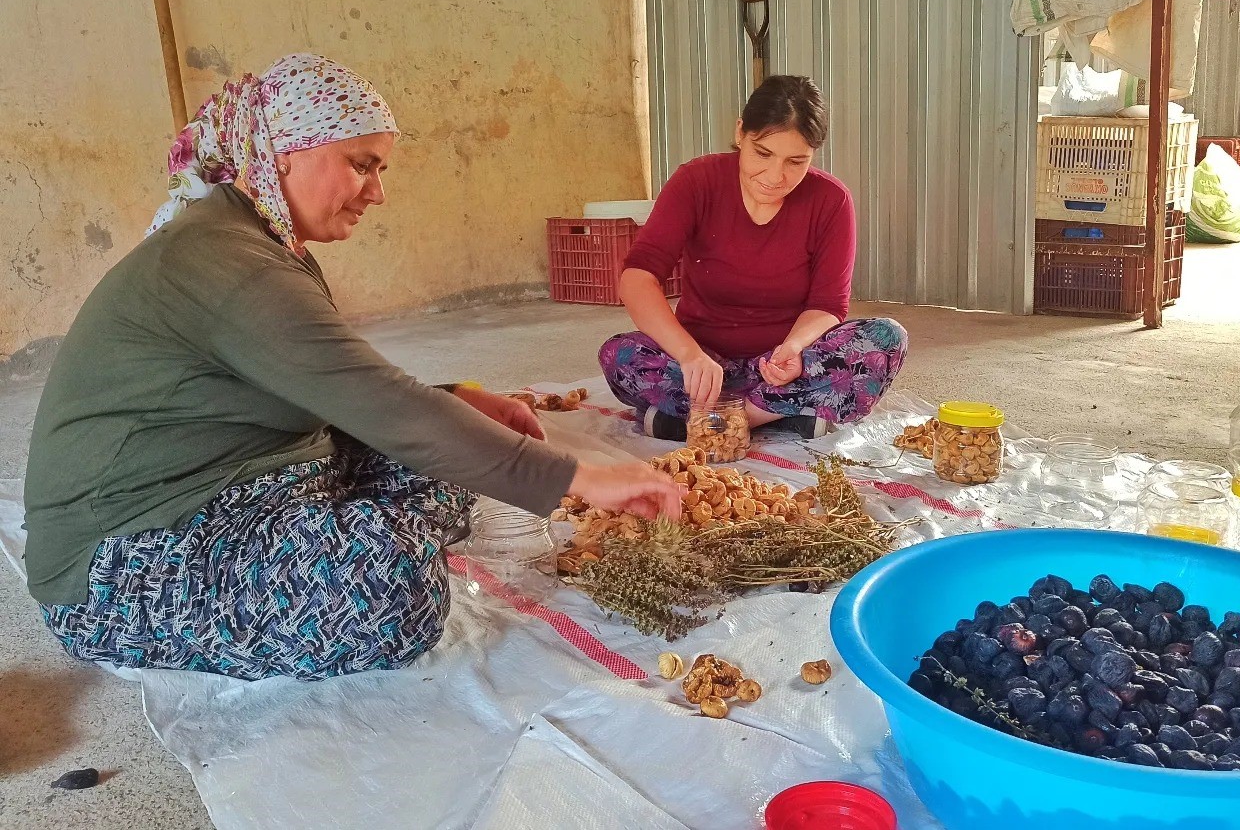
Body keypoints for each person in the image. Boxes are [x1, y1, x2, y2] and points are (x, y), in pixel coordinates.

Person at [22, 53, 680, 681]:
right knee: (392, 593)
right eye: (362, 165)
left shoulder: (266, 246)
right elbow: (378, 399)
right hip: (125, 558)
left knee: (442, 456)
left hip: (251, 484)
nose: (378, 192)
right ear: (285, 154)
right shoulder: (227, 262)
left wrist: (455, 399)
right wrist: (582, 479)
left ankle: (348, 535)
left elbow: (331, 388)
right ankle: (360, 543)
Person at [599, 75, 907, 440]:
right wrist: (689, 355)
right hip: (704, 363)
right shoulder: (696, 182)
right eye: (763, 154)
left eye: (796, 161)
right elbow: (639, 276)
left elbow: (828, 304)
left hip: (784, 367)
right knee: (619, 354)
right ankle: (786, 414)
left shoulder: (831, 201)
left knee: (886, 339)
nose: (776, 177)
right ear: (741, 132)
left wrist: (792, 348)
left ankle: (717, 421)